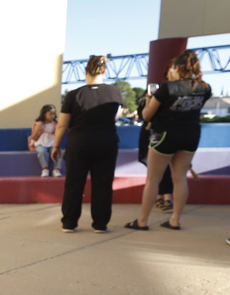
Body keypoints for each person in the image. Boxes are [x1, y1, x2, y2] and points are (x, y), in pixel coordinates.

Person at [127, 49, 211, 230]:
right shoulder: (205, 87)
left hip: (165, 135)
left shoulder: (167, 87)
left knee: (153, 180)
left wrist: (149, 101)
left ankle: (142, 221)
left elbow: (147, 115)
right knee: (180, 178)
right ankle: (175, 220)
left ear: (179, 67)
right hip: (191, 135)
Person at [52, 55, 123, 233]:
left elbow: (62, 124)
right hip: (106, 143)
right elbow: (116, 116)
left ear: (85, 71)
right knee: (103, 184)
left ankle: (69, 222)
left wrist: (56, 146)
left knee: (74, 184)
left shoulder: (73, 95)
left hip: (79, 144)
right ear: (104, 71)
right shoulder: (115, 92)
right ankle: (100, 223)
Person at [136, 93, 173, 212]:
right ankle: (159, 196)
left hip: (161, 134)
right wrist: (147, 102)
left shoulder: (167, 101)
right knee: (153, 169)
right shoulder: (144, 101)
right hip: (148, 136)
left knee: (164, 167)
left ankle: (166, 196)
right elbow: (144, 116)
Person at [30, 104, 63, 177]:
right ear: (44, 114)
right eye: (50, 114)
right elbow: (34, 138)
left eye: (54, 113)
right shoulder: (38, 124)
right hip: (40, 143)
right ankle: (45, 169)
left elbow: (58, 136)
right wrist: (37, 130)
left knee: (59, 151)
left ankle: (56, 170)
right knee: (42, 151)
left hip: (52, 143)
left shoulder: (55, 124)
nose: (53, 116)